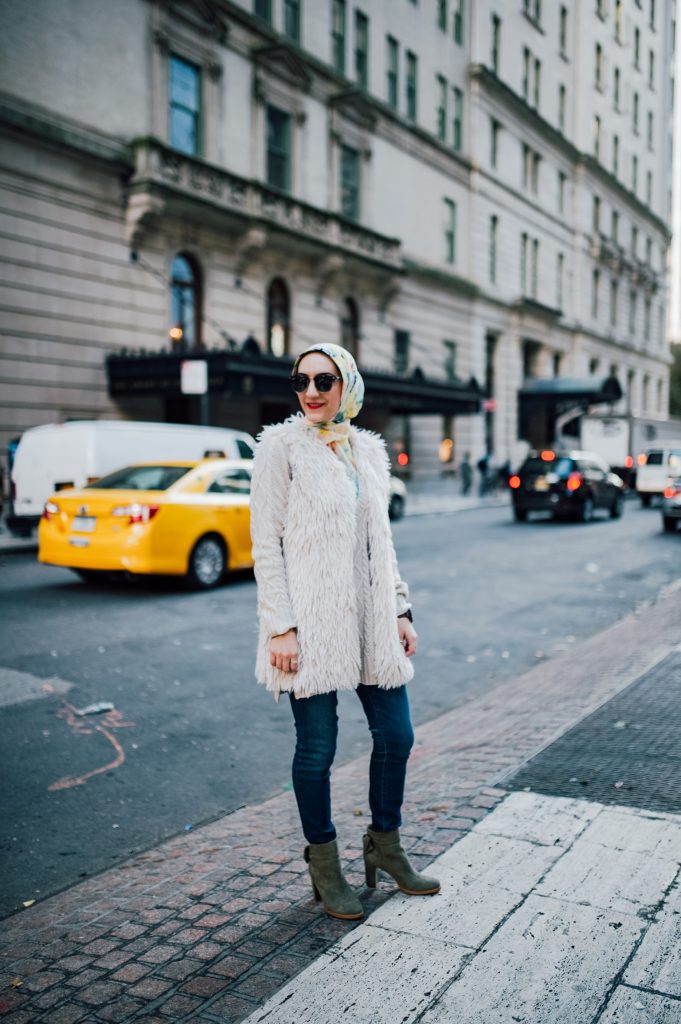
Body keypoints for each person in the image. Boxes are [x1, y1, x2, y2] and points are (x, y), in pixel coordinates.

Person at [250, 343, 440, 921]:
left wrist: (401, 609)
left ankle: (385, 846)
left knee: (397, 736)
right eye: (301, 380)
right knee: (318, 750)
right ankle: (325, 863)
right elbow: (265, 546)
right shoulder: (279, 449)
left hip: (372, 619)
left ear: (346, 384)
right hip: (310, 622)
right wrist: (280, 627)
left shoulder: (368, 451)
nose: (311, 391)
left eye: (324, 380)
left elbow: (381, 544)